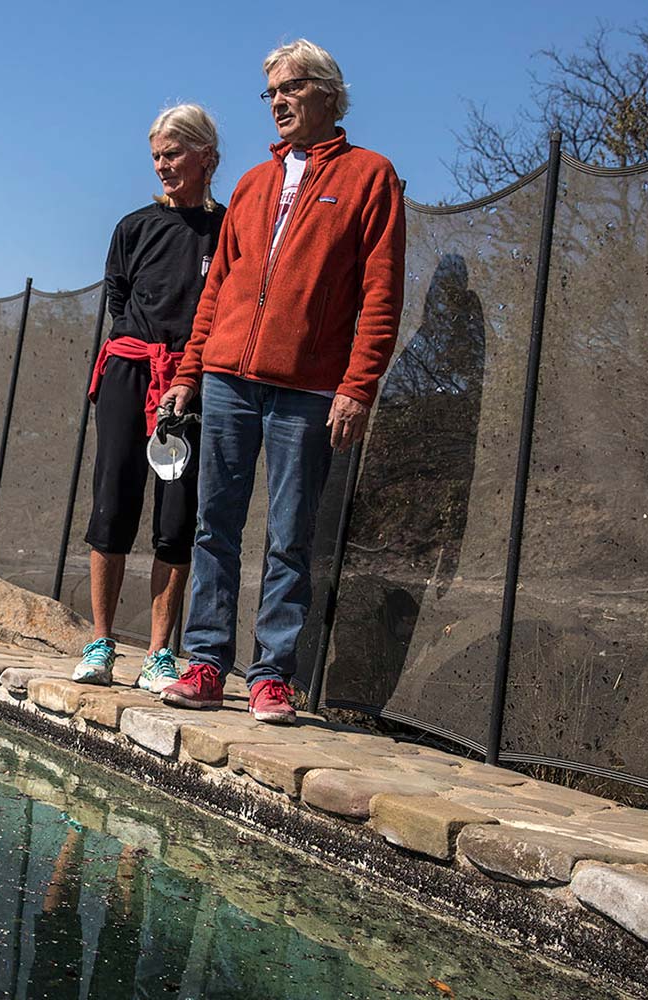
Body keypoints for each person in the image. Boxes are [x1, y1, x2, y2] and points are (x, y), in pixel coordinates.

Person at [160, 39, 405, 724]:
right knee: (215, 524)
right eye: (269, 92)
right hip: (227, 379)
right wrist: (188, 373)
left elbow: (381, 294)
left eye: (291, 88)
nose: (278, 102)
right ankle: (206, 663)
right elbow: (218, 291)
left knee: (291, 533)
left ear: (327, 91)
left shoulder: (370, 176)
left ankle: (272, 676)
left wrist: (359, 385)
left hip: (310, 388)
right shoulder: (249, 184)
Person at [72, 105, 225, 693]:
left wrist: (185, 366)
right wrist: (143, 353)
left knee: (176, 515)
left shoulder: (228, 229)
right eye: (157, 155)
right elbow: (119, 298)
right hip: (128, 372)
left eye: (174, 153)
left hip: (190, 382)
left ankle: (160, 653)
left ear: (207, 156)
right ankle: (101, 642)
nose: (163, 165)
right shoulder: (132, 227)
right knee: (111, 503)